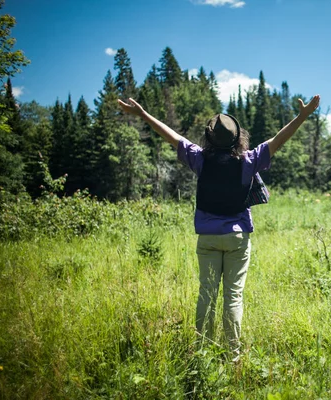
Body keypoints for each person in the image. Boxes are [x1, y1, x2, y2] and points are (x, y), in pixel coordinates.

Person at [118, 94, 320, 360]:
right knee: (233, 297)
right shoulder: (249, 160)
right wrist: (302, 116)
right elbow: (278, 140)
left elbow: (172, 136)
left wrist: (143, 115)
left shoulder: (199, 159)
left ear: (209, 138)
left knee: (207, 294)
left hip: (208, 239)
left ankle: (202, 351)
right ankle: (233, 355)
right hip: (237, 238)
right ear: (238, 138)